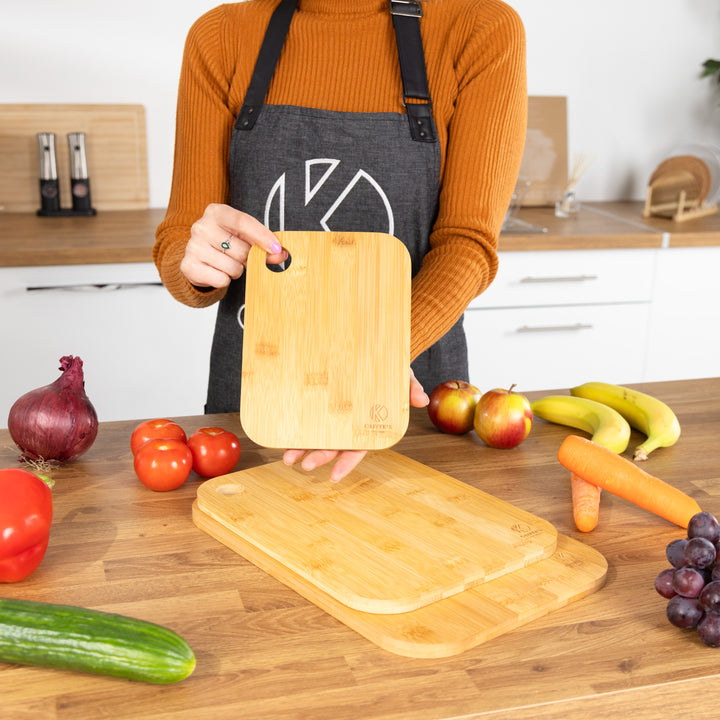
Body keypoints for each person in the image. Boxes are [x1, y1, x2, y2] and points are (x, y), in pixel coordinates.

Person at [154, 0, 527, 481]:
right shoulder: (222, 35)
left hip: (399, 391)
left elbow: (467, 243)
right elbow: (185, 234)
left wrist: (375, 363)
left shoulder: (479, 28)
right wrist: (199, 263)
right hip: (261, 401)